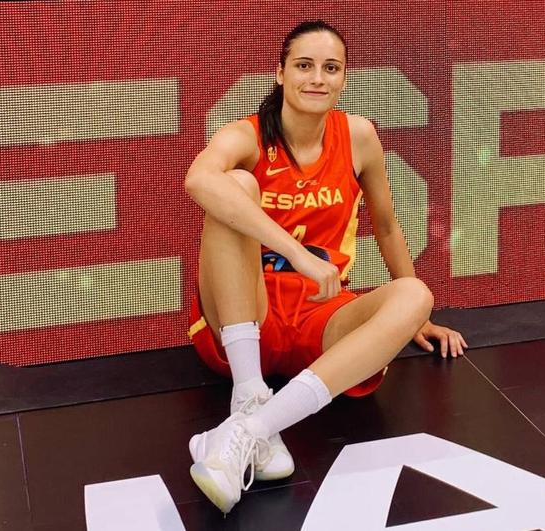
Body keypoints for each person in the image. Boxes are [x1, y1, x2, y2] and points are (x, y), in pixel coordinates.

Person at [184, 20, 468, 514]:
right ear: (280, 73)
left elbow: (385, 226)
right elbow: (197, 180)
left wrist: (413, 320)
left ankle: (251, 429)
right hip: (247, 314)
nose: (317, 78)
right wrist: (295, 253)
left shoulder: (358, 136)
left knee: (416, 293)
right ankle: (249, 393)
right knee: (235, 187)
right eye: (304, 66)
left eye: (330, 68)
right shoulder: (247, 136)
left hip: (319, 317)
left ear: (343, 78)